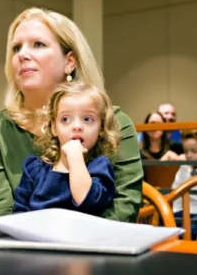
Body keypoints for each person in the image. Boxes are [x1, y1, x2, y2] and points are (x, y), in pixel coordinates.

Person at [0, 7, 143, 223]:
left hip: (97, 252)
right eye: (16, 48)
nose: (22, 55)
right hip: (17, 254)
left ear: (70, 61)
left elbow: (123, 211)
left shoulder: (112, 122)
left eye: (38, 44)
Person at [13, 82, 119, 216]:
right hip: (35, 236)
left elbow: (89, 202)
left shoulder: (99, 168)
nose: (77, 126)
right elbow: (19, 214)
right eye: (65, 119)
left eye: (87, 119)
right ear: (54, 128)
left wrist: (75, 158)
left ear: (101, 128)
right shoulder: (35, 169)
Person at [170, 129, 197, 240]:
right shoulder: (184, 167)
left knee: (191, 232)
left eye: (194, 151)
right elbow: (176, 192)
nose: (189, 155)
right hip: (184, 211)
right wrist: (175, 214)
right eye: (186, 151)